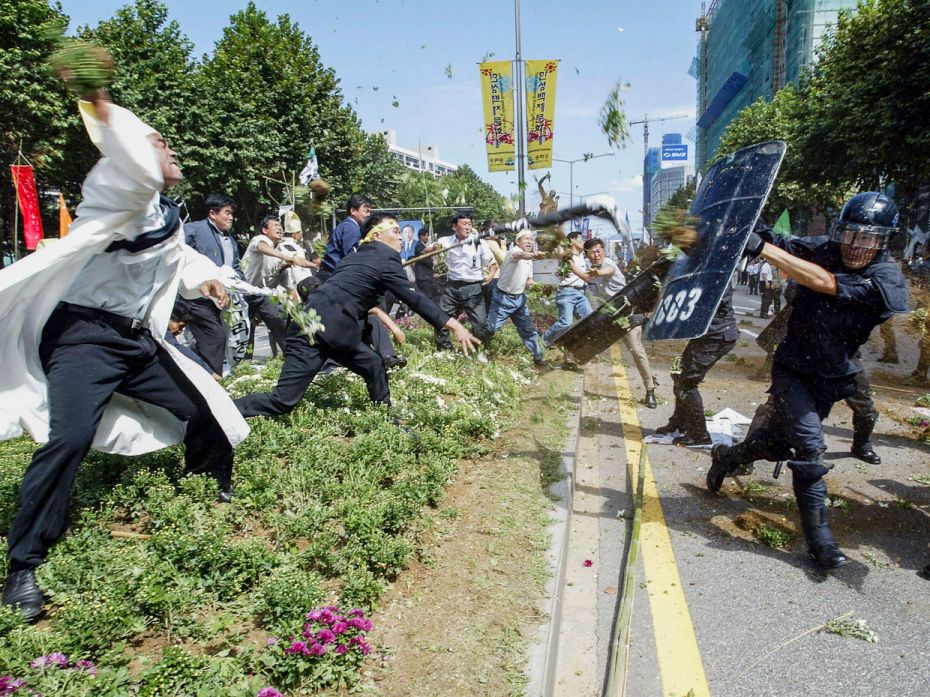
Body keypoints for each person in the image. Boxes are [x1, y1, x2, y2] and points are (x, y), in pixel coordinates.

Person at [0, 93, 248, 620]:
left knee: (204, 407)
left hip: (136, 342)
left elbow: (180, 256)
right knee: (68, 437)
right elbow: (129, 172)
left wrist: (205, 280)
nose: (172, 151)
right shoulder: (120, 200)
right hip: (83, 338)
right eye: (161, 145)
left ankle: (210, 489)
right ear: (135, 156)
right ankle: (24, 564)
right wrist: (106, 107)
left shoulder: (165, 213)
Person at [707, 193, 907, 570]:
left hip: (832, 377)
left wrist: (764, 248)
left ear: (883, 241)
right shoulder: (825, 248)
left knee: (776, 445)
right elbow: (782, 241)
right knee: (810, 448)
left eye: (867, 238)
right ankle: (821, 544)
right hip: (793, 369)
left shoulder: (887, 279)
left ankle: (727, 457)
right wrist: (743, 222)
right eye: (849, 234)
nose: (855, 245)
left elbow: (824, 281)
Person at [235, 215, 480, 417]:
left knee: (373, 363)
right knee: (283, 402)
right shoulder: (386, 258)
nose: (400, 236)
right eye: (394, 231)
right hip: (325, 328)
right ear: (376, 236)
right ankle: (223, 412)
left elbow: (359, 298)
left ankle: (385, 418)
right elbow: (413, 296)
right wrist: (452, 324)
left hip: (312, 324)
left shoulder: (355, 258)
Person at [656, 277, 738, 446]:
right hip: (705, 335)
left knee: (687, 383)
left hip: (716, 336)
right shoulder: (705, 269)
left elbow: (703, 302)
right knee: (678, 374)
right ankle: (680, 422)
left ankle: (699, 434)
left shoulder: (718, 273)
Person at [581, 238, 658, 408]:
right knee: (584, 341)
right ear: (587, 254)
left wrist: (597, 274)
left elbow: (606, 271)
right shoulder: (589, 267)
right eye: (591, 252)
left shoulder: (609, 264)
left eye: (598, 251)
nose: (595, 255)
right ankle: (569, 362)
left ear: (603, 251)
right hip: (608, 317)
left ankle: (650, 390)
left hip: (626, 315)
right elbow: (586, 278)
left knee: (637, 351)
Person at [183, 193, 241, 374]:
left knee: (215, 338)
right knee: (215, 337)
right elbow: (178, 254)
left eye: (232, 213)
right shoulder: (193, 229)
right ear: (212, 214)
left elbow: (236, 268)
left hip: (218, 299)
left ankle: (198, 369)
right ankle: (210, 377)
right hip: (195, 297)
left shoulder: (230, 241)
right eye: (227, 213)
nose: (230, 217)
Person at [425, 213, 496, 351]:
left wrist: (491, 274)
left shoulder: (479, 242)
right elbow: (426, 250)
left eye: (470, 224)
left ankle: (479, 350)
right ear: (454, 226)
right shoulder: (445, 241)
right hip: (452, 287)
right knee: (440, 318)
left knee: (480, 324)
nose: (468, 227)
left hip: (473, 287)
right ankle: (444, 350)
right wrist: (435, 247)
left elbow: (492, 263)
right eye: (464, 224)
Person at [486, 229, 545, 365]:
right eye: (526, 239)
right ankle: (475, 347)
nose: (530, 242)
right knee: (490, 329)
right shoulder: (513, 252)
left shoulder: (529, 261)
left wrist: (542, 287)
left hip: (519, 299)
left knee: (528, 330)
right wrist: (534, 255)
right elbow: (520, 255)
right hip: (503, 298)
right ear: (518, 241)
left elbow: (529, 282)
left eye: (531, 240)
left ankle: (538, 358)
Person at [542, 231, 592, 349]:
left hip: (581, 293)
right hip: (567, 294)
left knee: (590, 320)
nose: (583, 242)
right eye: (580, 240)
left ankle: (574, 345)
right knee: (566, 322)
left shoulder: (581, 255)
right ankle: (544, 340)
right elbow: (559, 251)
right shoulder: (567, 256)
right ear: (572, 241)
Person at [318, 193, 373, 280]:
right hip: (332, 275)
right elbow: (350, 257)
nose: (369, 215)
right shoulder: (350, 227)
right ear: (353, 211)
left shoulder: (347, 226)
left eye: (370, 212)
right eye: (366, 211)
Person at [412, 228, 439, 302]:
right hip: (423, 277)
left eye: (427, 235)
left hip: (426, 276)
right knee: (428, 298)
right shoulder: (419, 245)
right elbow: (423, 258)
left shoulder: (422, 245)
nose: (427, 237)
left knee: (430, 296)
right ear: (421, 236)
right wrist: (433, 263)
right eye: (425, 235)